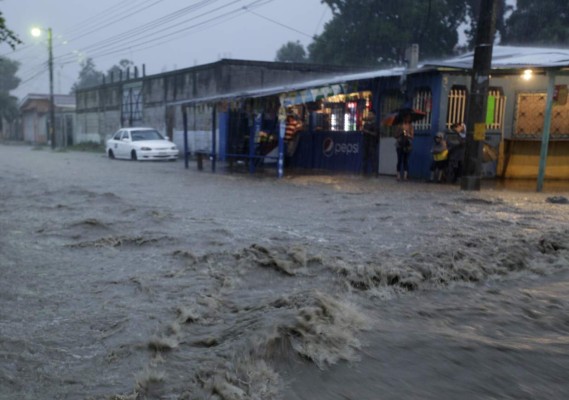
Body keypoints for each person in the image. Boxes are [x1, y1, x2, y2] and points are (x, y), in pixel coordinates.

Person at [395, 114, 414, 181]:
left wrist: (408, 134)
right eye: (405, 118)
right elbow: (396, 135)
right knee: (399, 159)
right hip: (400, 144)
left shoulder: (410, 126)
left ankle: (405, 176)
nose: (407, 119)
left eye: (408, 118)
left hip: (407, 144)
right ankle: (398, 175)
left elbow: (412, 136)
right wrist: (401, 133)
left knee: (405, 160)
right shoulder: (399, 126)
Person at [361, 111, 379, 176]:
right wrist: (363, 131)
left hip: (372, 144)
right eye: (368, 114)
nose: (369, 116)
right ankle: (364, 172)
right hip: (366, 143)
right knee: (364, 158)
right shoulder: (366, 124)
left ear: (374, 116)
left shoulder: (375, 124)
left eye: (370, 114)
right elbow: (363, 132)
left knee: (373, 159)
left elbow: (375, 134)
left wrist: (367, 131)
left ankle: (374, 173)